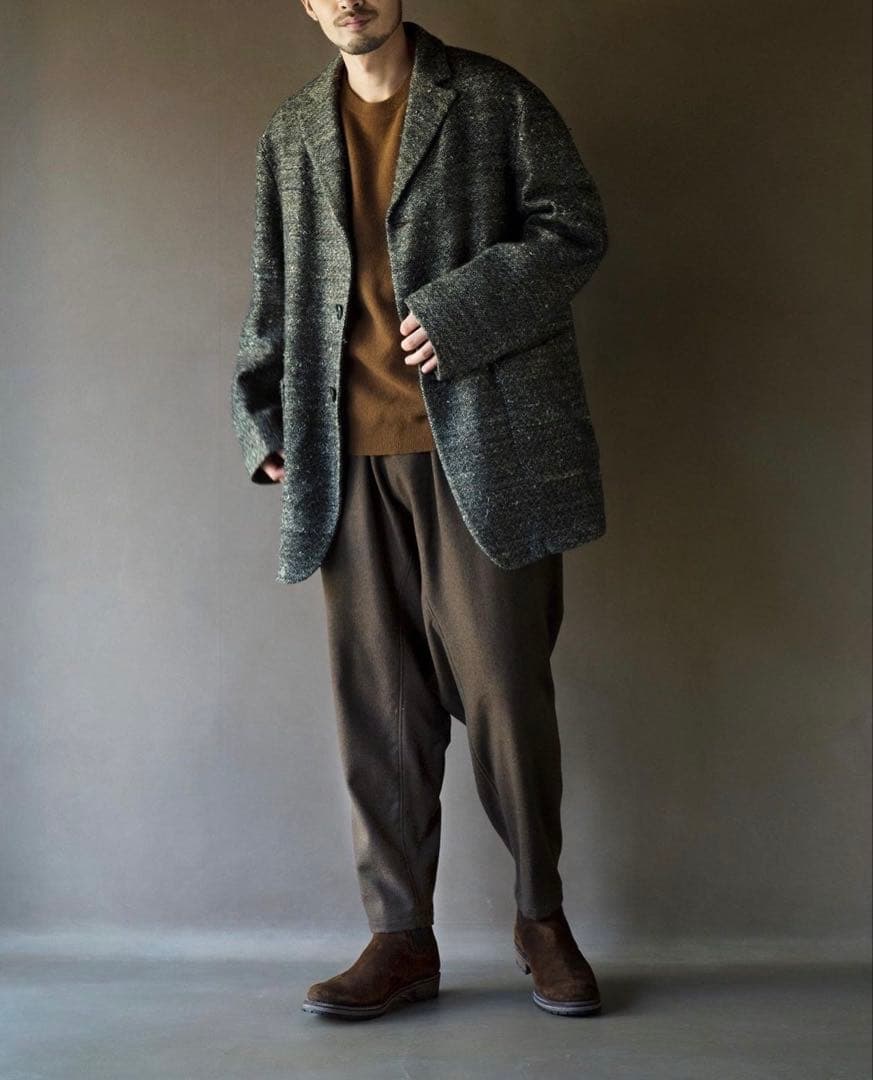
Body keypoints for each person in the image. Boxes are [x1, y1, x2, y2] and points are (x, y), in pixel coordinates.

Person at [231, 0, 610, 1020]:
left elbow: (574, 228)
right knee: (379, 707)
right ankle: (400, 938)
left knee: (505, 693)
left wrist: (461, 311)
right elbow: (273, 291)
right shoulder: (291, 130)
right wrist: (263, 418)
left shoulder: (491, 99)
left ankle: (540, 918)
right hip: (341, 458)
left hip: (483, 450)